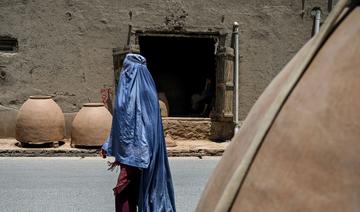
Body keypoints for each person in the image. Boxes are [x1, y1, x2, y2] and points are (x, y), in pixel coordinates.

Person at [101, 53, 176, 212]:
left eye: (126, 69)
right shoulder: (148, 89)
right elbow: (121, 124)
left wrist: (138, 156)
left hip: (136, 154)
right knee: (139, 192)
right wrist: (109, 143)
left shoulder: (130, 95)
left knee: (124, 193)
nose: (124, 73)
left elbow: (133, 126)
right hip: (145, 152)